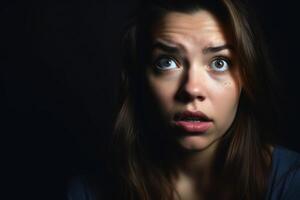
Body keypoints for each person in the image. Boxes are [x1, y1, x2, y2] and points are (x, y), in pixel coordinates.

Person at [68, 0, 300, 199]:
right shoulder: (89, 193)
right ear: (139, 77)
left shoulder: (291, 184)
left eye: (219, 63)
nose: (191, 89)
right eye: (167, 62)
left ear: (247, 78)